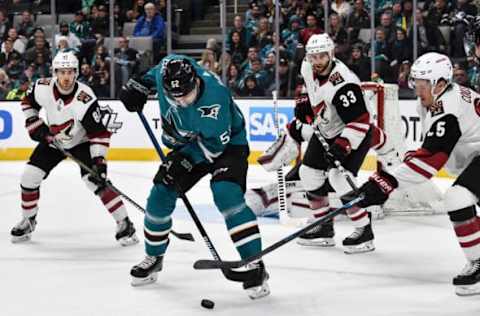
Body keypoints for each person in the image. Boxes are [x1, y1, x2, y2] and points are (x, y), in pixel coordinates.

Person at [119, 54, 270, 299]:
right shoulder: (169, 70)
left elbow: (214, 149)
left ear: (196, 82)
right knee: (160, 194)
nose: (181, 101)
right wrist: (138, 85)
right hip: (189, 142)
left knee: (225, 194)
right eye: (174, 97)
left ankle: (254, 263)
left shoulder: (215, 99)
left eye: (186, 95)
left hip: (227, 145)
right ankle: (153, 257)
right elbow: (156, 71)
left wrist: (183, 161)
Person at [352, 52, 480, 296]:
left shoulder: (448, 106)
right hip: (475, 162)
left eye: (422, 85)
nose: (417, 90)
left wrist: (383, 182)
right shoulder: (436, 100)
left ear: (440, 84)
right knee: (460, 198)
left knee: (457, 198)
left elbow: (430, 162)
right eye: (415, 84)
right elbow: (427, 151)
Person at [10, 51, 139, 247]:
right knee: (29, 176)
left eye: (70, 72)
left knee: (95, 181)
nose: (66, 77)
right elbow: (28, 103)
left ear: (76, 73)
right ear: (55, 73)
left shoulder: (85, 99)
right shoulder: (42, 87)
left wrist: (99, 162)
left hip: (82, 143)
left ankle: (124, 223)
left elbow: (99, 134)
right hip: (54, 140)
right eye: (61, 72)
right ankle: (28, 220)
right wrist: (34, 123)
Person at [273, 33, 377, 254]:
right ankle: (323, 227)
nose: (317, 61)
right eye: (313, 57)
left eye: (322, 56)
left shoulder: (343, 83)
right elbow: (308, 88)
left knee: (338, 178)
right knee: (308, 172)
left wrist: (343, 145)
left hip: (355, 130)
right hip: (326, 127)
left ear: (331, 54)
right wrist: (303, 101)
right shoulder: (307, 66)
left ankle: (364, 228)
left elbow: (360, 120)